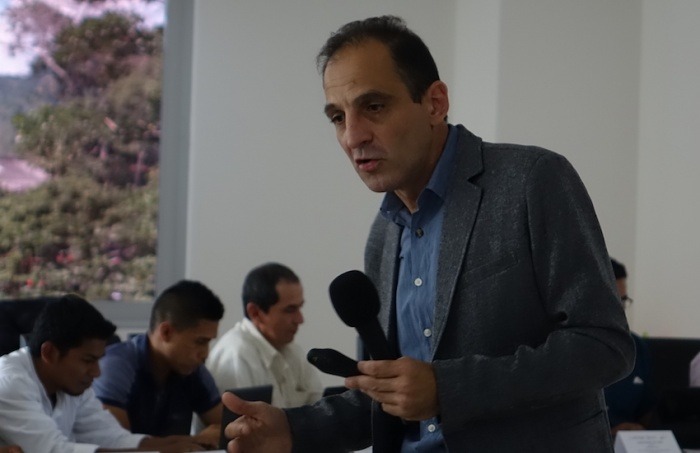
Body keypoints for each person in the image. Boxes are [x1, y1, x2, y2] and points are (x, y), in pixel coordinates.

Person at [222, 15, 635, 453]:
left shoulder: (532, 181)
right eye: (338, 117)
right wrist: (294, 429)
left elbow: (604, 345)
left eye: (374, 106)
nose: (353, 136)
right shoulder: (383, 235)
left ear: (435, 102)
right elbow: (386, 395)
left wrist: (447, 387)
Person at [0, 294, 205, 452]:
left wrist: (180, 443)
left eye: (98, 360)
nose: (97, 372)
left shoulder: (72, 384)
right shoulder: (10, 382)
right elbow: (54, 450)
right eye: (88, 360)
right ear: (49, 353)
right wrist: (160, 451)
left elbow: (112, 438)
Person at [93, 280, 224, 449]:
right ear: (166, 332)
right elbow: (117, 447)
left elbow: (226, 427)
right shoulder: (116, 367)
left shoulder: (192, 370)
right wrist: (193, 441)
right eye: (200, 342)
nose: (205, 353)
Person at [206, 262, 323, 407]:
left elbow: (319, 409)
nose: (300, 319)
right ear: (255, 313)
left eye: (300, 307)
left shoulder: (293, 351)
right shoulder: (236, 355)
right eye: (290, 310)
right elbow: (243, 426)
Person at [604, 258, 656, 436]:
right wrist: (608, 433)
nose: (621, 310)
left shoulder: (636, 347)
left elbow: (648, 411)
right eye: (614, 301)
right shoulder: (564, 349)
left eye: (624, 301)